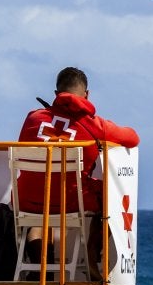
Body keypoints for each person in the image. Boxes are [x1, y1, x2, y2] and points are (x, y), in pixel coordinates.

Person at [16, 66, 140, 243]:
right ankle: (93, 253)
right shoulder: (94, 125)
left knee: (45, 190)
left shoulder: (33, 118)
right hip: (69, 202)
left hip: (25, 200)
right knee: (108, 196)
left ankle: (39, 256)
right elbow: (133, 138)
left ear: (56, 93)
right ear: (87, 95)